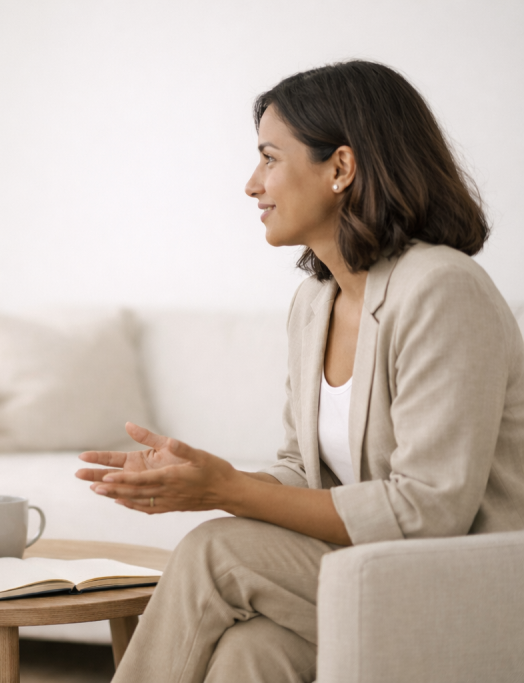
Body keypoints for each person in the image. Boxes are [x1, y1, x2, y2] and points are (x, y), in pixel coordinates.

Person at [76, 60, 524, 683]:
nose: (251, 184)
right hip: (371, 574)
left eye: (269, 158)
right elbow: (302, 470)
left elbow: (429, 511)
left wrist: (227, 492)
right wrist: (205, 477)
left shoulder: (443, 289)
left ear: (340, 168)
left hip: (464, 591)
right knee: (253, 651)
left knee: (216, 550)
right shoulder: (315, 302)